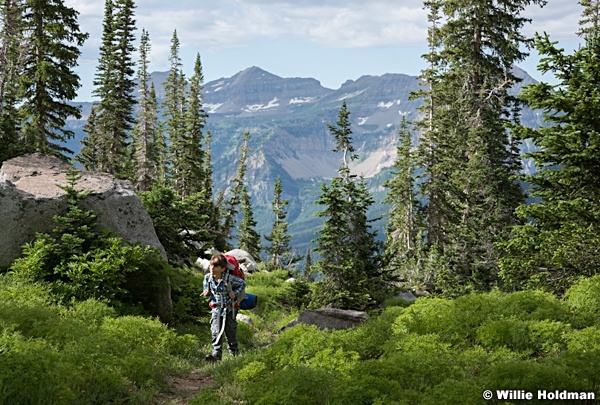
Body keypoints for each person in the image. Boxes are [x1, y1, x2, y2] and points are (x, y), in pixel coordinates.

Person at [203, 254, 246, 361]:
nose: (212, 268)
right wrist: (206, 293)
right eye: (211, 266)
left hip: (230, 309)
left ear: (223, 268)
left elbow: (242, 284)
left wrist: (234, 293)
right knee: (215, 331)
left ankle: (234, 354)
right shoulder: (208, 278)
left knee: (230, 331)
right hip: (216, 309)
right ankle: (216, 354)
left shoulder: (229, 278)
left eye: (216, 266)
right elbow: (206, 289)